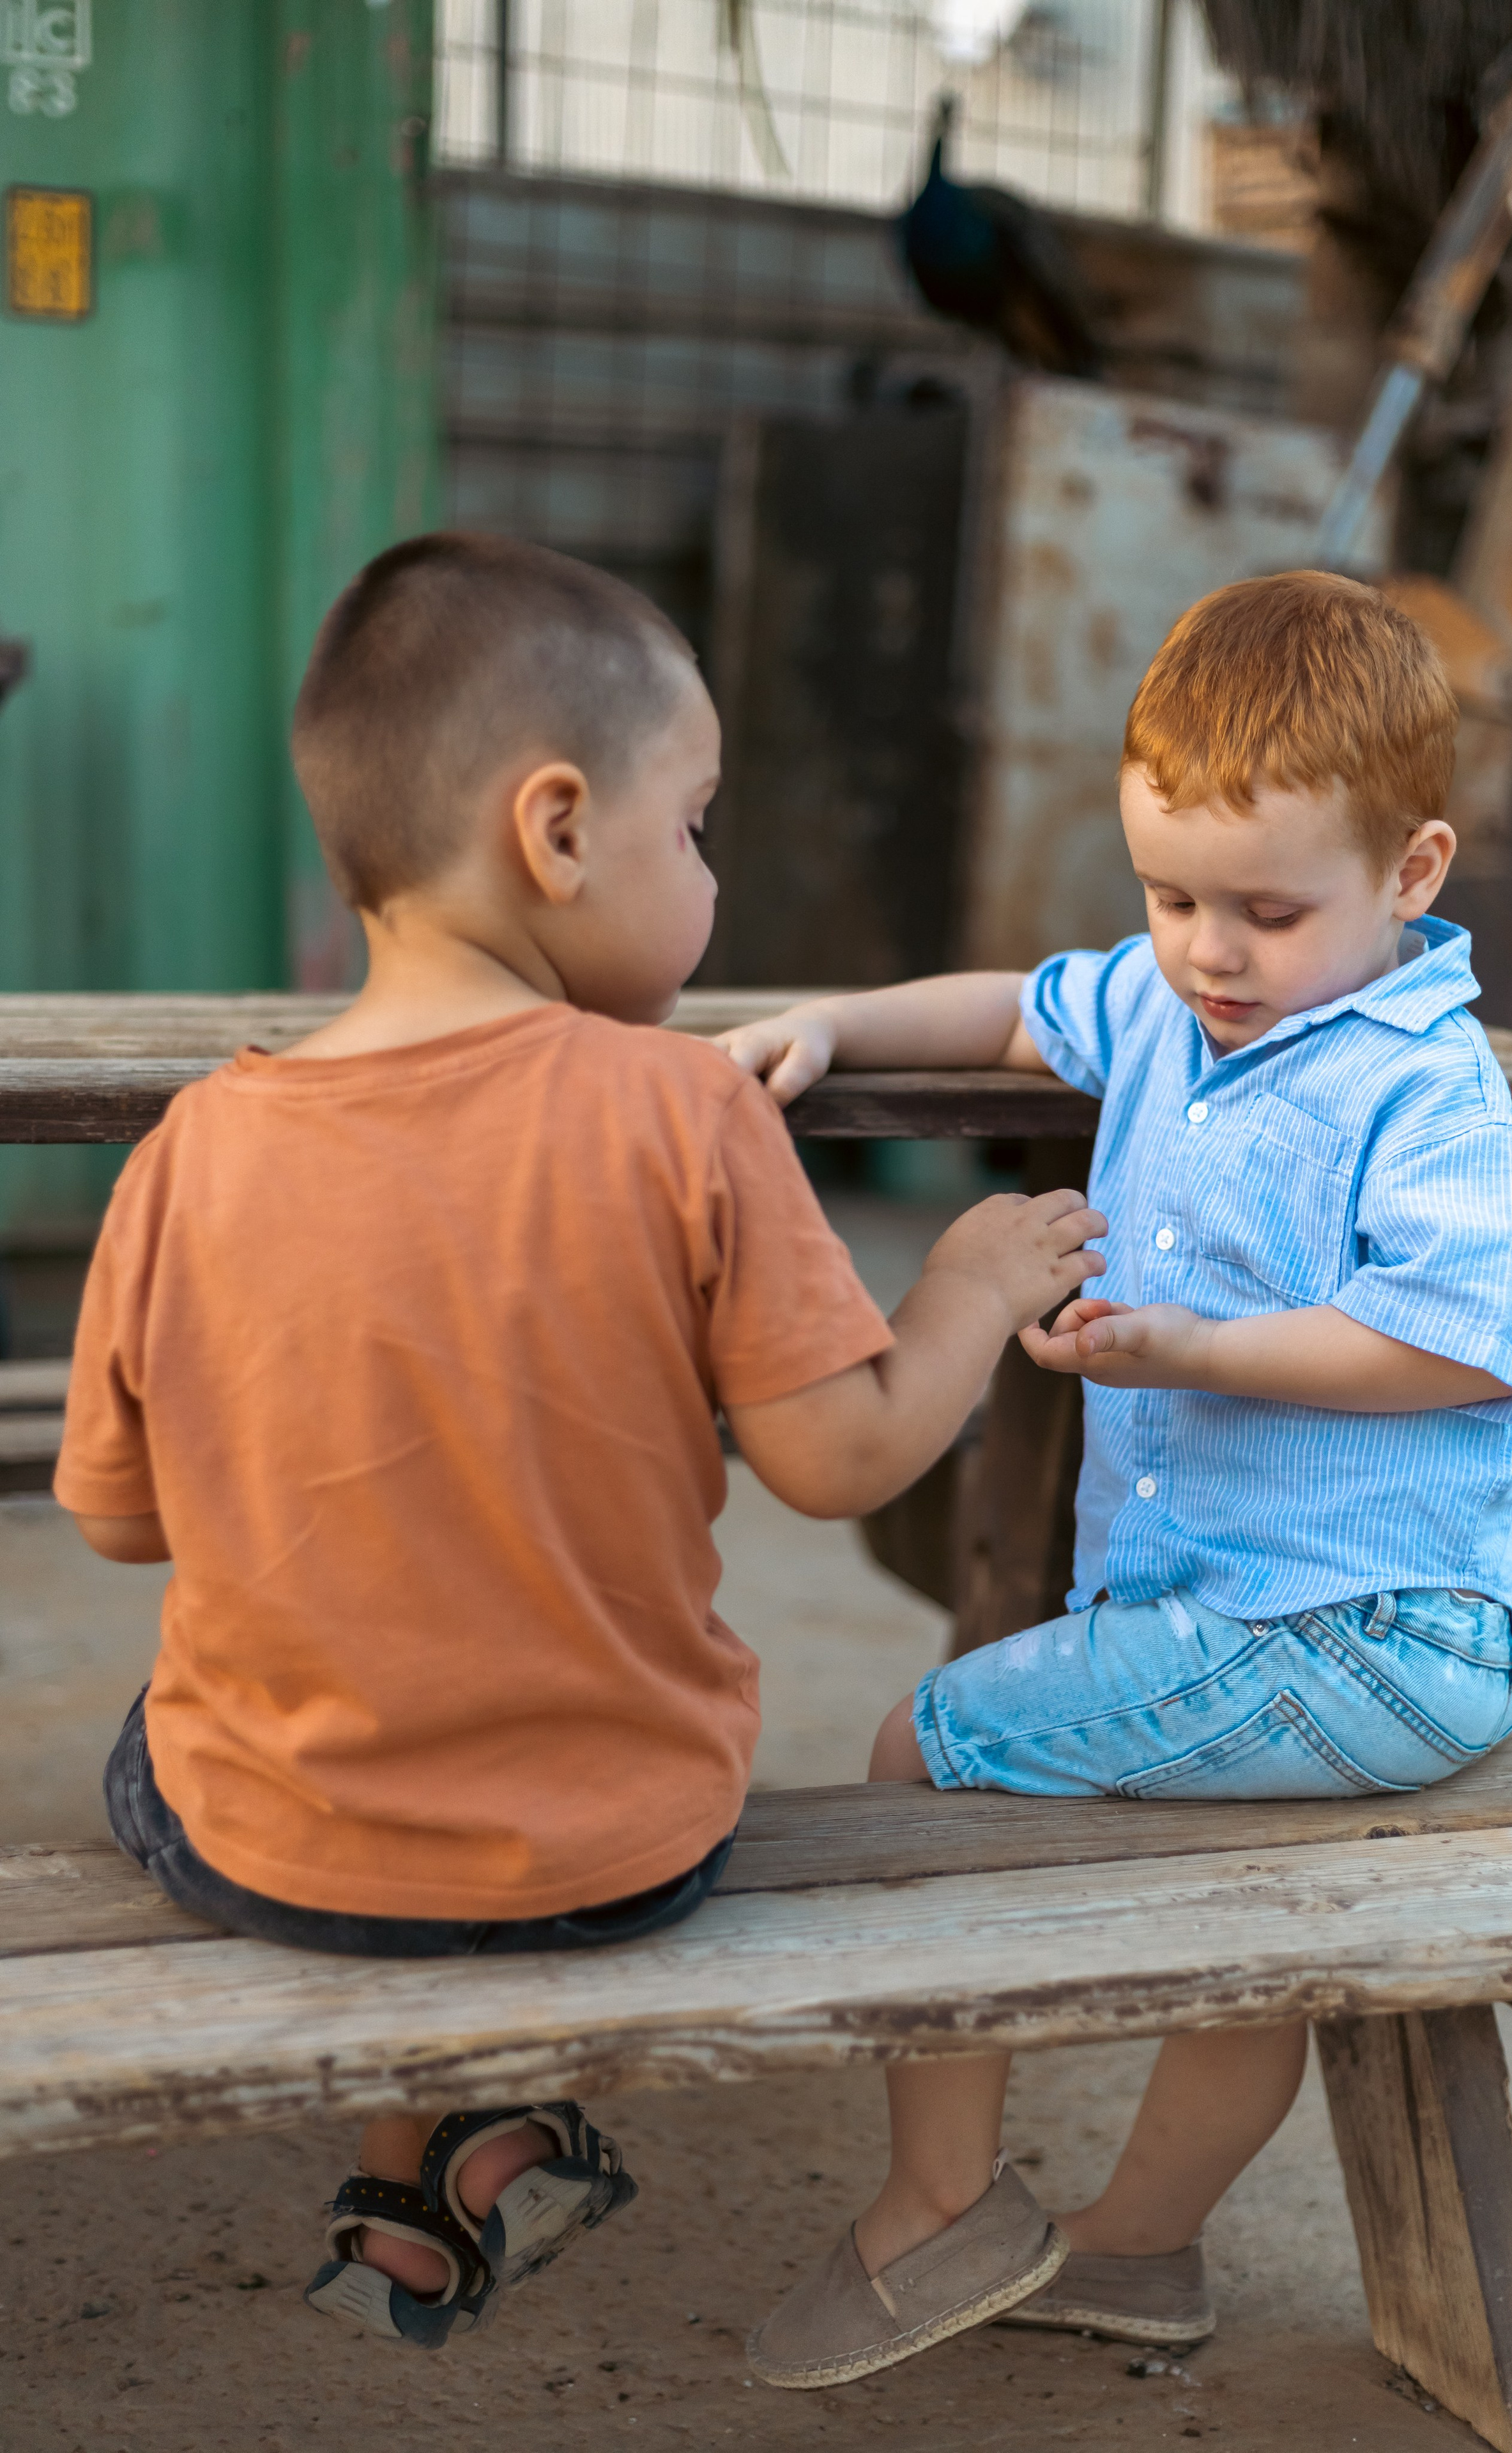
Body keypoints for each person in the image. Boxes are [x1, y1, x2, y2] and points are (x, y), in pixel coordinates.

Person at [55, 532, 1101, 2350]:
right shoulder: (682, 1111)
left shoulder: (185, 1155)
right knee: (478, 1700)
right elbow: (844, 1458)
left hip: (275, 1860)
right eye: (692, 827)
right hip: (629, 1849)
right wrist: (964, 1285)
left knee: (191, 1721)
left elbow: (122, 1529)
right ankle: (461, 2144)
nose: (707, 871)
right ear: (555, 832)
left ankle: (441, 2160)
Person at [719, 569, 1512, 2391]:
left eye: (1266, 911)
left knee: (916, 1753)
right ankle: (1137, 2252)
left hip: (1369, 1634)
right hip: (1244, 1621)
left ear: (1414, 877)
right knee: (1252, 1944)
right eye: (1170, 897)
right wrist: (837, 1025)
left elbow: (1456, 1342)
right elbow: (1024, 1013)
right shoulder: (1181, 1009)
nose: (1207, 951)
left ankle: (938, 2205)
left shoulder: (1424, 1090)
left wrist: (1188, 1347)